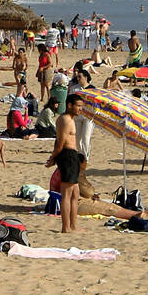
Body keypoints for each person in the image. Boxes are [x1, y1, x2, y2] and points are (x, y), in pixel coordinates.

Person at [47, 93, 84, 233]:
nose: (80, 109)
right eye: (78, 106)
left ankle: (73, 225)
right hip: (67, 155)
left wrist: (55, 156)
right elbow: (60, 143)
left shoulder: (68, 119)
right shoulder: (66, 120)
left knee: (75, 193)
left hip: (70, 156)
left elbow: (58, 141)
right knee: (67, 194)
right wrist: (53, 157)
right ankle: (66, 227)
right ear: (69, 105)